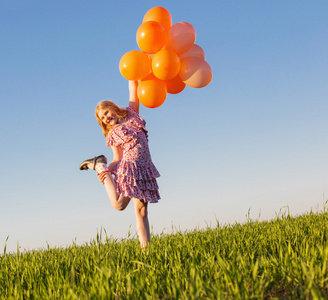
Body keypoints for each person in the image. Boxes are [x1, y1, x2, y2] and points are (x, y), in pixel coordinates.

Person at [79, 80, 160, 250]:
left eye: (107, 112)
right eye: (103, 118)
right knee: (119, 205)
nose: (107, 118)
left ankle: (147, 251)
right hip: (129, 168)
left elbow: (133, 90)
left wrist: (133, 76)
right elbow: (117, 158)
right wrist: (108, 170)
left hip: (144, 170)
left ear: (114, 108)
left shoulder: (132, 115)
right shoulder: (113, 134)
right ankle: (100, 166)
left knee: (142, 211)